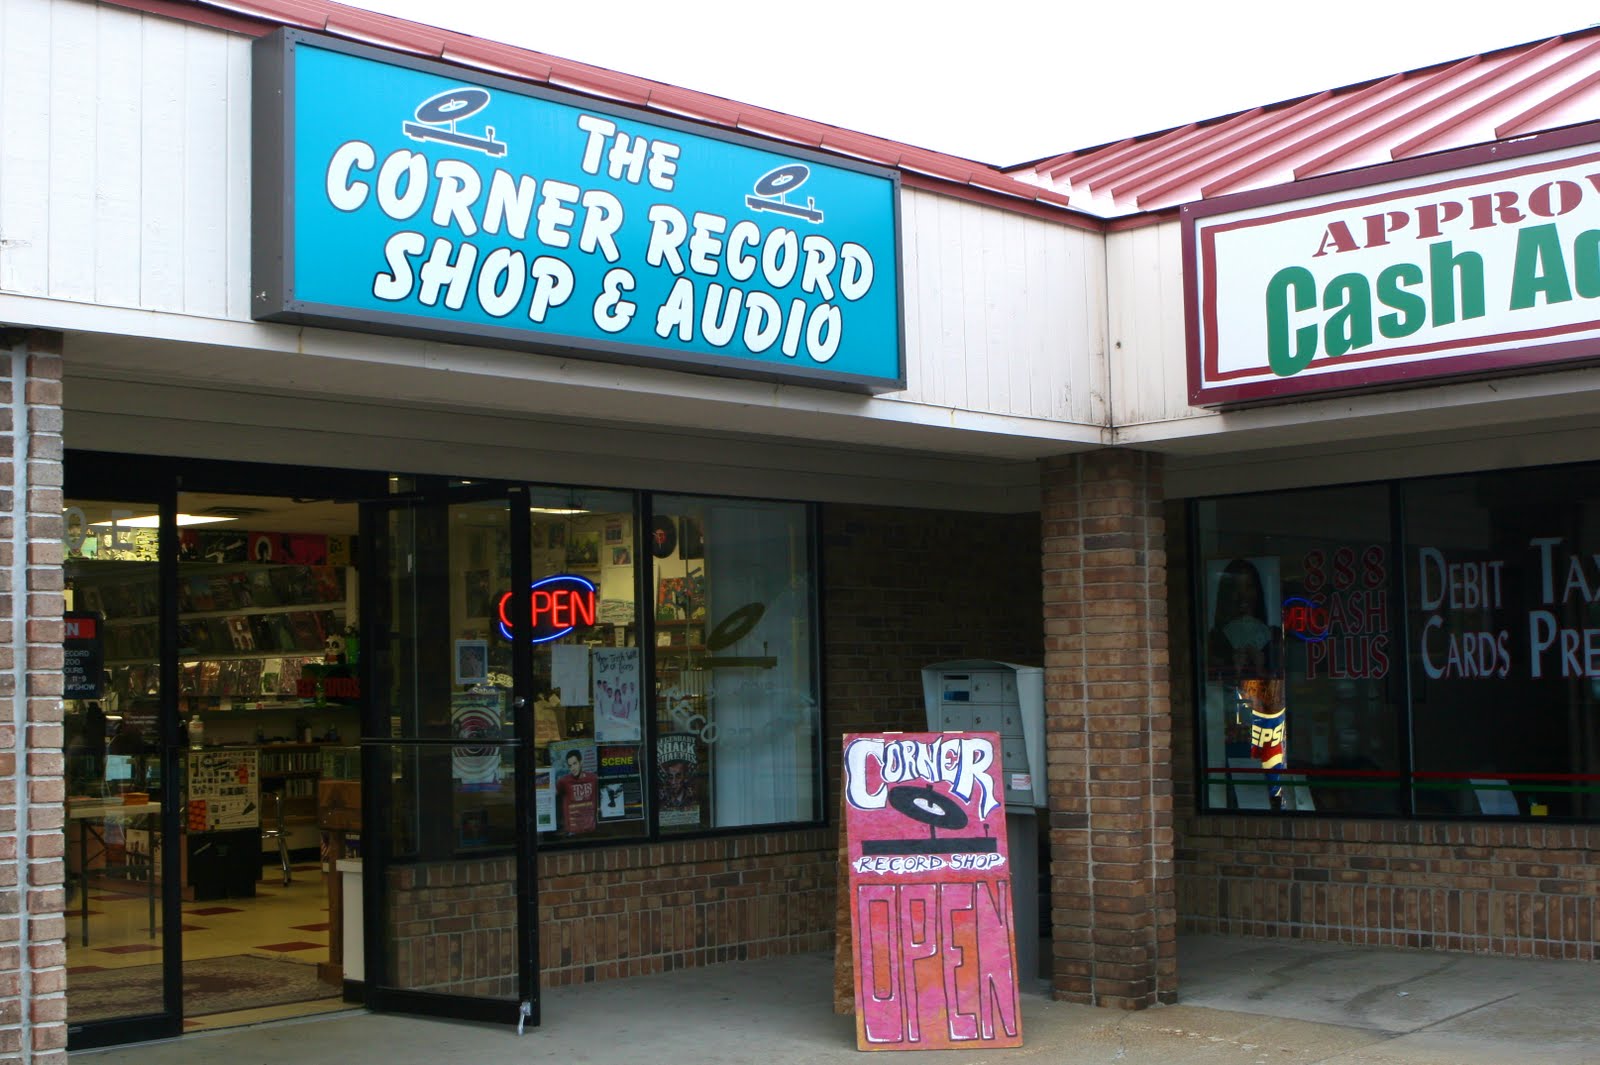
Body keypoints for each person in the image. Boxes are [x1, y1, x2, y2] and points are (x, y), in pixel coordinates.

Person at [1206, 558, 1282, 685]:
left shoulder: (1274, 637)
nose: (1243, 595)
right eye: (1235, 588)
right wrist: (1234, 671)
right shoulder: (1215, 640)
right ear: (1226, 594)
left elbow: (1284, 685)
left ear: (1257, 591)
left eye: (1249, 586)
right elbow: (1210, 687)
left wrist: (1261, 671)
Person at [555, 749, 597, 834]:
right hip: (572, 830)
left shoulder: (593, 778)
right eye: (570, 766)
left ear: (581, 762)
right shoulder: (563, 781)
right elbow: (552, 799)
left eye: (575, 763)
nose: (573, 768)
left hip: (591, 829)